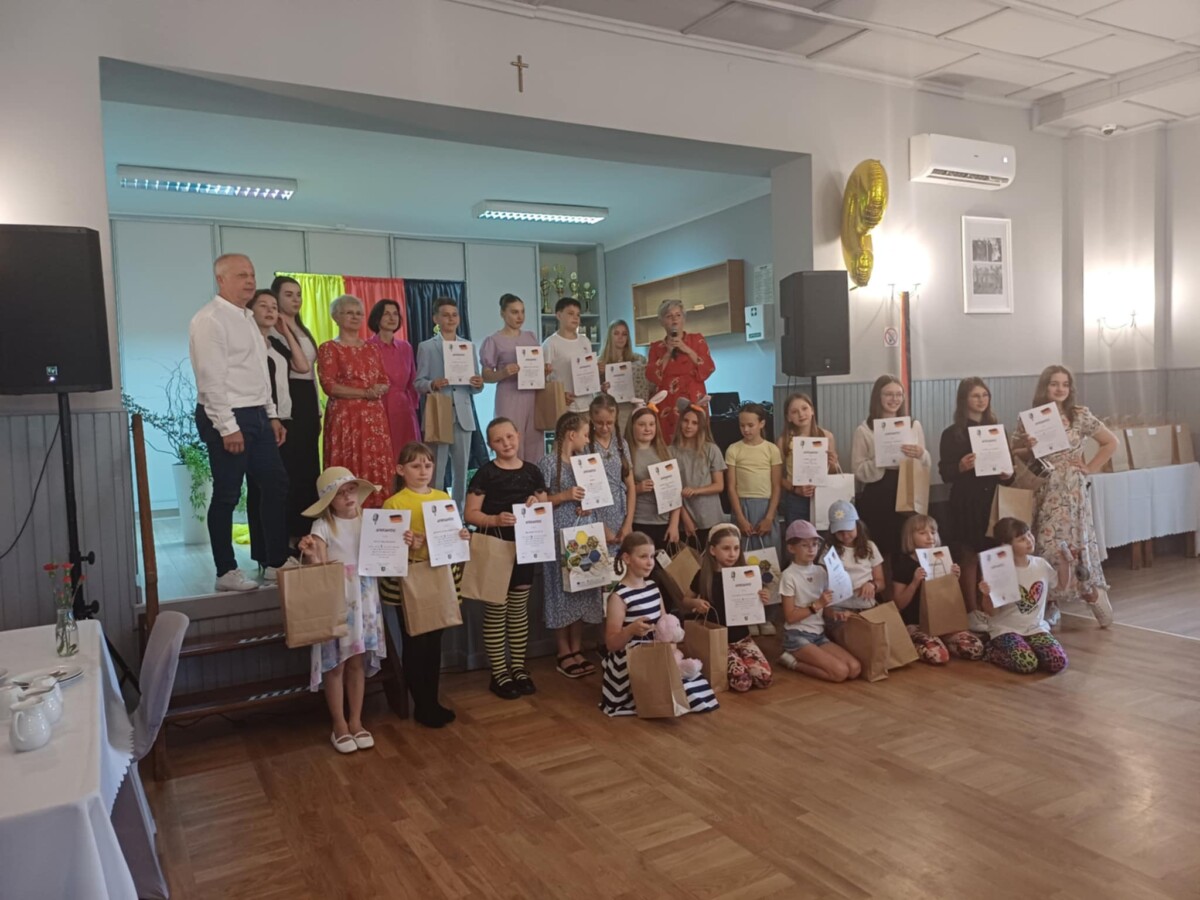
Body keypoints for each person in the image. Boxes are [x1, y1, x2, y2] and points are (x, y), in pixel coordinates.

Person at [188, 253, 288, 592]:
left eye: (252, 274)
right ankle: (225, 571)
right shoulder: (210, 319)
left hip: (257, 413)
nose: (250, 281)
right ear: (221, 279)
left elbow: (260, 373)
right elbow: (210, 378)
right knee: (228, 493)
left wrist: (271, 414)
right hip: (228, 415)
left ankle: (275, 562)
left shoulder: (247, 318)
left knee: (275, 484)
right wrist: (227, 426)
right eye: (242, 275)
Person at [1012, 365, 1116, 629]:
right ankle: (1050, 601)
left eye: (1065, 384)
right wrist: (1028, 447)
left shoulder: (1079, 415)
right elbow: (1015, 452)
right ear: (1044, 386)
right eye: (1054, 383)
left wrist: (1090, 467)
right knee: (1046, 542)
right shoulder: (1030, 418)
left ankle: (1091, 592)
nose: (1060, 389)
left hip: (1071, 488)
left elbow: (1110, 442)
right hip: (1044, 486)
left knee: (1074, 542)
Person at [297, 467, 386, 753]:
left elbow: (386, 555)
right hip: (336, 599)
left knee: (356, 660)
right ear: (329, 501)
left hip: (364, 598)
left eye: (351, 490)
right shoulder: (322, 526)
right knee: (335, 664)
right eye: (340, 493)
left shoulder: (369, 521)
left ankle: (356, 720)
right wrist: (311, 555)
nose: (348, 496)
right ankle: (339, 724)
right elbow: (320, 568)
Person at [463, 418, 548, 700]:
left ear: (518, 436)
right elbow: (470, 513)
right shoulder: (485, 474)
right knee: (496, 610)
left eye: (509, 437)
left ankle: (519, 668)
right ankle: (499, 671)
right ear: (491, 445)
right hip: (496, 547)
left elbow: (544, 504)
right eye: (499, 440)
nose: (506, 443)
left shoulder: (533, 471)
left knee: (519, 609)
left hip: (526, 547)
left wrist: (537, 503)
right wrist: (494, 519)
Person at [378, 442, 461, 728]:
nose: (423, 470)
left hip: (440, 574)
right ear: (401, 470)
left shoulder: (442, 497)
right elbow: (386, 551)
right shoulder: (394, 504)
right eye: (415, 466)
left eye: (427, 464)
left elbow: (451, 535)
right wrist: (409, 544)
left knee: (434, 642)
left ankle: (432, 701)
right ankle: (422, 705)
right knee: (415, 641)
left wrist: (461, 536)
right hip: (410, 579)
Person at [599, 531, 720, 717]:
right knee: (676, 692)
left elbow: (665, 624)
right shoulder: (619, 597)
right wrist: (630, 630)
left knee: (696, 687)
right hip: (633, 657)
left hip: (657, 650)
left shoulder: (653, 588)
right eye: (643, 557)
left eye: (652, 557)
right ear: (627, 558)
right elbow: (611, 643)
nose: (650, 562)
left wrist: (671, 648)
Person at [538, 411, 605, 679]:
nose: (588, 440)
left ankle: (577, 647)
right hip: (558, 533)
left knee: (581, 588)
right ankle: (563, 650)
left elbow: (595, 495)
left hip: (582, 532)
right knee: (560, 590)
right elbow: (540, 502)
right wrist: (564, 496)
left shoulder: (584, 462)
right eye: (585, 435)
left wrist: (587, 505)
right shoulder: (547, 463)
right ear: (571, 434)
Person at [245, 289, 307, 573]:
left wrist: (285, 331)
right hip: (262, 420)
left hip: (284, 419)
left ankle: (277, 551)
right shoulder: (248, 344)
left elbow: (302, 366)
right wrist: (270, 417)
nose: (271, 311)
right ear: (250, 311)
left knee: (280, 487)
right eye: (263, 306)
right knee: (263, 488)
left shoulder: (275, 343)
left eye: (274, 306)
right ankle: (267, 554)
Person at [938, 377, 1006, 631]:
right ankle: (971, 610)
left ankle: (992, 606)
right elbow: (945, 473)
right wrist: (960, 466)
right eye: (975, 395)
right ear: (964, 399)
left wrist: (1006, 473)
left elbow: (1008, 469)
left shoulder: (997, 429)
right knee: (968, 555)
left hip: (992, 498)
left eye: (984, 395)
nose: (981, 400)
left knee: (993, 552)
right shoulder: (951, 434)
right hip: (966, 499)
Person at [681, 524, 773, 692]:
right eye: (726, 548)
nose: (732, 554)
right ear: (712, 550)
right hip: (719, 640)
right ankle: (734, 663)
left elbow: (759, 596)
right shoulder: (703, 575)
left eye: (736, 548)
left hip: (743, 637)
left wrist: (764, 595)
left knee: (763, 678)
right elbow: (685, 600)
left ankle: (741, 659)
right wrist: (695, 603)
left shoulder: (746, 574)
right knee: (742, 682)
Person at [979, 517, 1071, 675]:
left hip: (1035, 628)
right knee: (1027, 664)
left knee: (1058, 662)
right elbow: (991, 612)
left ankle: (1029, 649)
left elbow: (1061, 586)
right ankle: (990, 651)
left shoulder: (1040, 564)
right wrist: (986, 595)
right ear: (1006, 546)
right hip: (1006, 630)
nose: (1029, 540)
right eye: (1022, 539)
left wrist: (1065, 562)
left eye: (1029, 535)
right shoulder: (999, 570)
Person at [851, 375, 930, 558]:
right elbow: (858, 470)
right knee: (881, 550)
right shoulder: (864, 430)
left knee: (907, 548)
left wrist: (921, 454)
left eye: (899, 394)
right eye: (888, 394)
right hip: (878, 493)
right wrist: (881, 460)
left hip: (908, 489)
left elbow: (924, 465)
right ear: (877, 397)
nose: (894, 399)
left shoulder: (913, 425)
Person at [414, 297, 484, 506]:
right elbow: (418, 383)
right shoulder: (427, 347)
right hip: (439, 412)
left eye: (454, 315)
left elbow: (476, 387)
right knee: (436, 468)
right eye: (445, 315)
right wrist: (432, 384)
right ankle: (434, 510)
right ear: (436, 319)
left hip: (463, 414)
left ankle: (459, 513)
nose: (451, 319)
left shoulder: (467, 346)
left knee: (461, 470)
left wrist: (478, 383)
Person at [889, 515, 986, 665]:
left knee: (975, 649)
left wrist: (954, 578)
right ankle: (919, 643)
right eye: (922, 533)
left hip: (943, 621)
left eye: (933, 532)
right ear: (910, 536)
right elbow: (898, 604)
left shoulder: (942, 558)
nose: (930, 537)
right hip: (915, 623)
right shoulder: (903, 563)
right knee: (938, 656)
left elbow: (948, 597)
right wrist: (915, 582)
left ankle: (943, 641)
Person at [776, 519, 860, 682]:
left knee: (854, 668)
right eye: (804, 545)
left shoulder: (821, 571)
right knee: (840, 673)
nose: (811, 549)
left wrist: (834, 614)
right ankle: (791, 661)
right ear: (791, 548)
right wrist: (817, 605)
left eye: (814, 544)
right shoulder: (788, 575)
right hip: (796, 635)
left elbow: (824, 607)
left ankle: (805, 656)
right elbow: (790, 617)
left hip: (819, 634)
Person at [272, 276, 321, 547]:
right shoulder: (274, 331)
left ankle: (307, 533)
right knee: (292, 468)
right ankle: (289, 536)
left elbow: (311, 372)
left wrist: (317, 407)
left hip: (308, 401)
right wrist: (285, 328)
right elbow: (299, 366)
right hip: (289, 399)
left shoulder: (302, 327)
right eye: (289, 294)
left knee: (309, 468)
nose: (296, 299)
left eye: (298, 294)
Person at [481, 293, 545, 464]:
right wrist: (503, 372)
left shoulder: (530, 337)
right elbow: (485, 375)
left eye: (522, 312)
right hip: (509, 395)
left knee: (534, 442)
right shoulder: (494, 340)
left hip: (532, 396)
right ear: (503, 313)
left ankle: (533, 478)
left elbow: (537, 366)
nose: (520, 317)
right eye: (514, 312)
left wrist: (544, 370)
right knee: (510, 440)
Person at [646, 299, 715, 443]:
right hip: (667, 401)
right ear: (662, 321)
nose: (674, 320)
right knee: (668, 442)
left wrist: (686, 349)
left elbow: (708, 367)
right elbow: (651, 376)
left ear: (684, 319)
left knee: (696, 441)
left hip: (693, 397)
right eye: (669, 316)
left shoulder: (697, 340)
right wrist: (667, 354)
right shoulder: (656, 347)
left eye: (678, 315)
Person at [366, 299, 421, 460]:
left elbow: (413, 380)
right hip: (378, 407)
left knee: (407, 455)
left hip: (404, 409)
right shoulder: (367, 347)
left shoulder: (405, 347)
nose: (392, 318)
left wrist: (412, 407)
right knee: (383, 454)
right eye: (387, 314)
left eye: (395, 314)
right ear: (377, 318)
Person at [777, 393, 840, 536]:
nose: (801, 414)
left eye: (804, 408)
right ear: (788, 417)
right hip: (796, 498)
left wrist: (833, 463)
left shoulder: (826, 436)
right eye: (794, 411)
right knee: (798, 538)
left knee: (824, 538)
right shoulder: (784, 441)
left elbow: (833, 472)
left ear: (812, 410)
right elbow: (777, 477)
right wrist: (795, 489)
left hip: (822, 494)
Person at [823, 500, 884, 637]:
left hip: (865, 607)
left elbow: (881, 582)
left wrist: (872, 585)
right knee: (852, 637)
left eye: (849, 530)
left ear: (857, 525)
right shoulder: (829, 549)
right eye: (840, 532)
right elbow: (823, 582)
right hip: (839, 607)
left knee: (875, 636)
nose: (845, 536)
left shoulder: (870, 547)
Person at [671, 399, 726, 549]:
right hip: (685, 518)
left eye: (694, 423)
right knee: (689, 560)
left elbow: (719, 485)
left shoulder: (711, 450)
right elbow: (671, 489)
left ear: (700, 426)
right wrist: (685, 517)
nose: (689, 426)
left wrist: (696, 490)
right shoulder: (670, 451)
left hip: (711, 517)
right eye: (686, 421)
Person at [586, 394, 635, 556]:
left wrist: (628, 523)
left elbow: (631, 486)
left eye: (609, 423)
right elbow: (584, 490)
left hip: (620, 512)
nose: (605, 428)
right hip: (596, 513)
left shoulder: (621, 444)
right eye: (599, 423)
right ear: (591, 419)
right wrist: (601, 527)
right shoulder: (585, 445)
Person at [627, 406, 680, 551]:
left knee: (667, 564)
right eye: (642, 424)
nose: (647, 429)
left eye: (651, 424)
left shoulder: (664, 452)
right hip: (638, 520)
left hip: (664, 522)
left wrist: (674, 524)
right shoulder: (627, 453)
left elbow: (676, 491)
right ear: (632, 426)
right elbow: (617, 492)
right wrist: (638, 489)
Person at [541, 296, 599, 414]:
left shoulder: (585, 341)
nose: (575, 318)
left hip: (587, 405)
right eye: (571, 313)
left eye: (578, 314)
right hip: (564, 407)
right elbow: (544, 379)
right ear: (559, 315)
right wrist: (559, 395)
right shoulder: (550, 343)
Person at [597, 319, 649, 432]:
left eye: (624, 334)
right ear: (610, 336)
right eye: (616, 333)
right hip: (610, 412)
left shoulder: (638, 360)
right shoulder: (600, 363)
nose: (620, 337)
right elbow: (594, 394)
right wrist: (602, 388)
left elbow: (645, 387)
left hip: (632, 409)